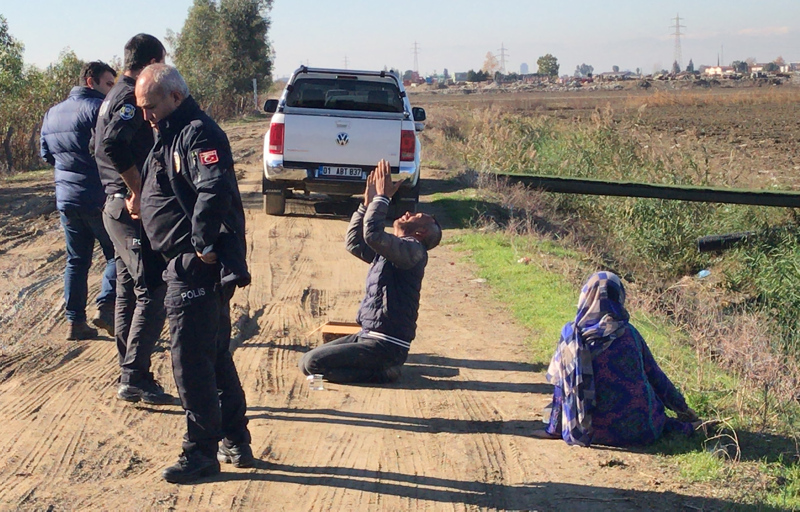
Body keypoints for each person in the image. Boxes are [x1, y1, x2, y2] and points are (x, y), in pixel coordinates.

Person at [134, 64, 253, 483]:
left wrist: (202, 245)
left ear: (176, 98)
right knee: (213, 354)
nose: (146, 115)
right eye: (141, 108)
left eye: (150, 106)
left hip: (193, 265)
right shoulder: (170, 131)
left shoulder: (198, 133)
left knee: (190, 361)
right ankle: (234, 438)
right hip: (180, 263)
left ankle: (200, 452)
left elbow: (213, 187)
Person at [299, 160, 442, 383]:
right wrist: (366, 205)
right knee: (306, 362)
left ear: (421, 232)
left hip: (386, 345)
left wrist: (382, 199)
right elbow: (355, 243)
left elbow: (373, 235)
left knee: (314, 364)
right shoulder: (395, 249)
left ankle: (385, 372)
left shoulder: (414, 251)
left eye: (416, 216)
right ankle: (378, 368)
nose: (407, 213)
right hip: (367, 336)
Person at [533, 271, 701, 446]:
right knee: (663, 421)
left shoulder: (572, 338)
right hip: (643, 430)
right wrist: (682, 409)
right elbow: (656, 377)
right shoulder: (629, 334)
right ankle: (690, 427)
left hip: (591, 432)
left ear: (586, 296)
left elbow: (562, 389)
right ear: (620, 297)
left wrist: (554, 429)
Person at [94, 34, 173, 405]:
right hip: (129, 210)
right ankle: (135, 377)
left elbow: (97, 145)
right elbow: (111, 144)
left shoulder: (113, 94)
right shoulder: (129, 97)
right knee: (153, 291)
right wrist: (138, 188)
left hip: (115, 207)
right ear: (153, 62)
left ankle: (130, 371)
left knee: (128, 292)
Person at [41, 61, 118, 341]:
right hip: (98, 196)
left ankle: (75, 323)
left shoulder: (52, 113)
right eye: (108, 84)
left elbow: (46, 155)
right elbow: (113, 150)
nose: (111, 90)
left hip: (67, 199)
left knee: (76, 260)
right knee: (118, 253)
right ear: (91, 81)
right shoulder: (100, 109)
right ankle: (106, 306)